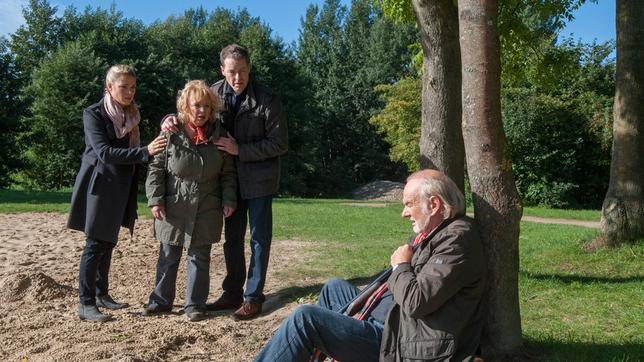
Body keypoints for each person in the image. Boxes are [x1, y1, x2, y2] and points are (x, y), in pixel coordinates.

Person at [254, 169, 487, 361]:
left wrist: (401, 266)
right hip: (393, 321)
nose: (404, 213)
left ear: (434, 205)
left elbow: (417, 301)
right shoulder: (434, 233)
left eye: (409, 204)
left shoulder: (457, 241)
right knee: (333, 288)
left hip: (402, 342)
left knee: (306, 318)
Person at [161, 44, 288, 320]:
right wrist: (167, 120)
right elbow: (189, 114)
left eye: (242, 71)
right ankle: (232, 292)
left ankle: (253, 297)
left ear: (249, 68)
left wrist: (239, 148)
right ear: (222, 70)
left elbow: (279, 143)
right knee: (232, 240)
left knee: (258, 239)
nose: (237, 77)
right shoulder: (214, 93)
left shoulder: (268, 99)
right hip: (226, 182)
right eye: (231, 72)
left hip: (259, 182)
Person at [68, 64, 167, 322]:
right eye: (123, 87)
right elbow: (105, 153)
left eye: (133, 87)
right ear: (109, 88)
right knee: (95, 243)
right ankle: (85, 303)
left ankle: (101, 294)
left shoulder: (132, 114)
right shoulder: (94, 114)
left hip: (122, 184)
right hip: (98, 184)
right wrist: (146, 151)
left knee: (109, 240)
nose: (129, 92)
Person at [143, 80, 237, 322]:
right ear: (185, 106)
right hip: (174, 205)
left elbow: (228, 173)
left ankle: (195, 305)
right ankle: (161, 301)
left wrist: (228, 199)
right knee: (168, 254)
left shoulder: (220, 135)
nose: (201, 111)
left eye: (207, 105)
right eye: (196, 105)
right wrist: (155, 199)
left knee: (199, 257)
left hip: (207, 205)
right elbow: (156, 170)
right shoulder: (170, 133)